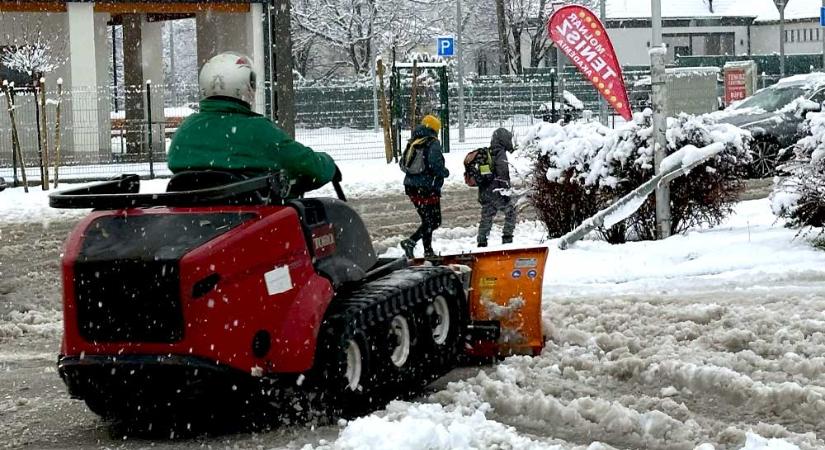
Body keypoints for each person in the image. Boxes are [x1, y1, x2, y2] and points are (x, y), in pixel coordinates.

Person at [168, 52, 338, 196]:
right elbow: (307, 165)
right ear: (246, 86)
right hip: (249, 222)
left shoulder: (186, 130)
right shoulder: (258, 130)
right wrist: (328, 164)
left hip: (194, 225)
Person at [399, 115, 449, 258]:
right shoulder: (432, 143)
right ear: (435, 129)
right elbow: (435, 165)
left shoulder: (413, 142)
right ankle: (412, 242)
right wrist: (445, 172)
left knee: (427, 220)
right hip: (427, 188)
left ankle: (427, 251)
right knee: (435, 221)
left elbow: (403, 164)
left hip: (412, 188)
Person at [477, 127, 517, 247]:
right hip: (497, 192)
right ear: (504, 140)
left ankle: (482, 241)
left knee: (486, 217)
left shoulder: (487, 152)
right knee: (511, 212)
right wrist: (506, 191)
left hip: (485, 192)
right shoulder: (500, 153)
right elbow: (503, 173)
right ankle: (507, 238)